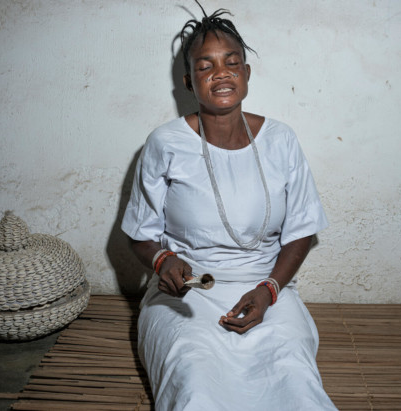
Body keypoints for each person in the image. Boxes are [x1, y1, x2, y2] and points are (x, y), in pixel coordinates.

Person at [122, 3, 337, 410]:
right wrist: (163, 261)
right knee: (195, 382)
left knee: (293, 382)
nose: (221, 73)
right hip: (187, 295)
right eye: (206, 66)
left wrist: (269, 290)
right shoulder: (165, 143)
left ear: (246, 73)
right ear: (189, 81)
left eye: (231, 62)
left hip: (267, 288)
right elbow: (139, 233)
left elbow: (302, 229)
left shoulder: (281, 139)